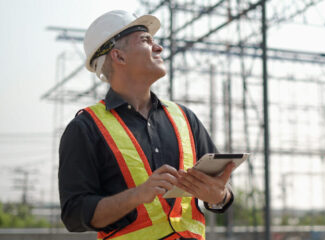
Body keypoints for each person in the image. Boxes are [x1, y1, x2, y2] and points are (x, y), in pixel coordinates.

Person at [58, 10, 234, 240]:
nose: (159, 48)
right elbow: (74, 215)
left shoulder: (185, 119)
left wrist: (219, 196)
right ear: (118, 57)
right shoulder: (86, 129)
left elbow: (223, 193)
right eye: (146, 40)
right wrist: (137, 195)